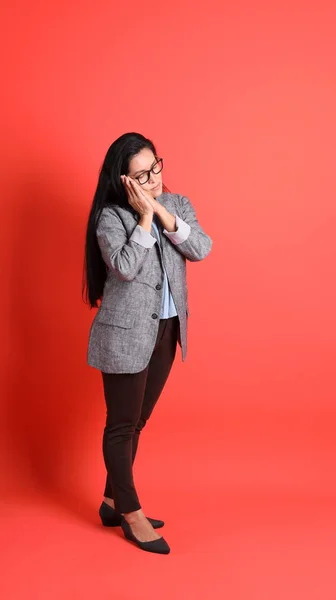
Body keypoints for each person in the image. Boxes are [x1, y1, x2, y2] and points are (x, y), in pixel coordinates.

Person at [83, 132, 212, 554]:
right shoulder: (110, 218)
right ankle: (131, 512)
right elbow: (123, 268)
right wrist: (142, 218)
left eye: (156, 166)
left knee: (137, 422)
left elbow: (201, 247)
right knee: (121, 425)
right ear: (124, 181)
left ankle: (109, 501)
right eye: (142, 174)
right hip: (125, 335)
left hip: (168, 330)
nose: (154, 177)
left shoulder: (177, 204)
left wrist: (157, 209)